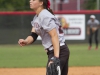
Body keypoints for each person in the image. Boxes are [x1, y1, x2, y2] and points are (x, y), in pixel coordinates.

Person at [18, 0, 70, 75]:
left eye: (33, 0)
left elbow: (54, 36)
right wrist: (26, 41)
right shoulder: (37, 17)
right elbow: (33, 35)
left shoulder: (45, 16)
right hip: (59, 50)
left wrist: (55, 57)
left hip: (59, 51)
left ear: (41, 3)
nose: (30, 1)